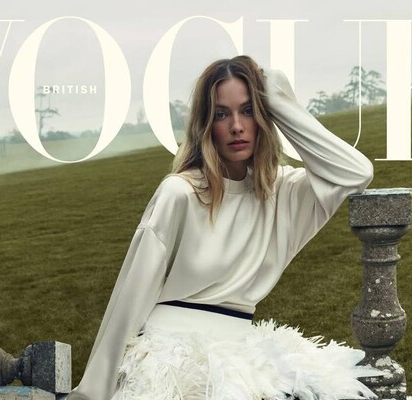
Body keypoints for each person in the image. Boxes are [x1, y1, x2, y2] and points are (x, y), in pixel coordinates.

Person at [68, 55, 379, 400]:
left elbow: (356, 173)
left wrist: (278, 100)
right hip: (171, 359)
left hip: (241, 355)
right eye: (221, 114)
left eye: (248, 111)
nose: (236, 126)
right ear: (206, 125)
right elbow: (132, 294)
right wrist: (94, 392)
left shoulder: (282, 193)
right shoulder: (180, 193)